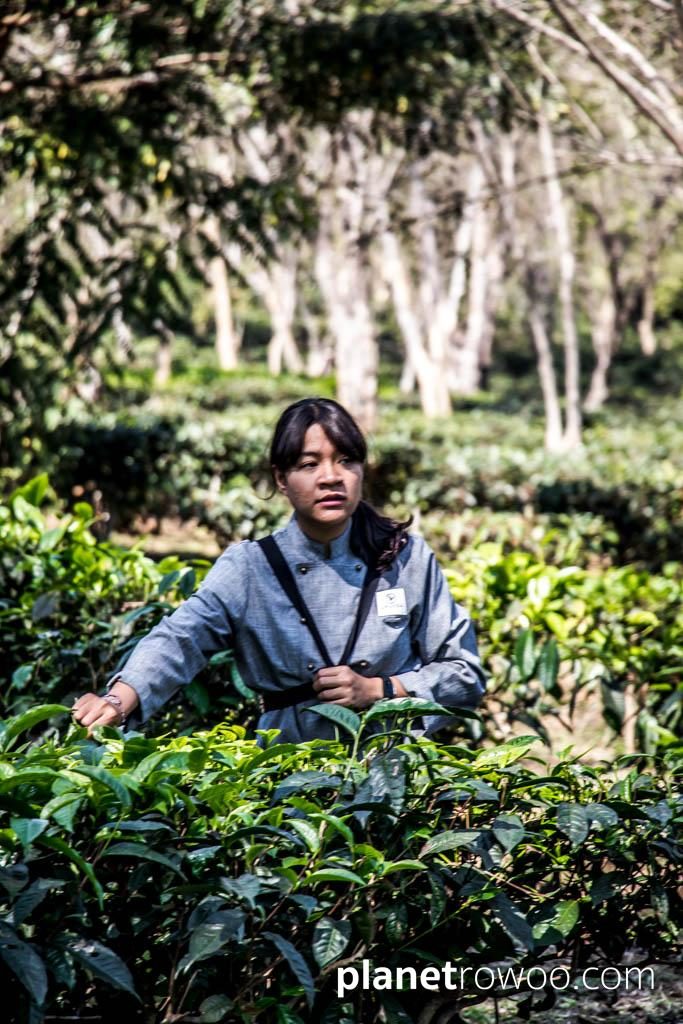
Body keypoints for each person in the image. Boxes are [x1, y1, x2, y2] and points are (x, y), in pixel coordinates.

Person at [72, 398, 486, 743]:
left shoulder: (406, 557)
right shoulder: (251, 566)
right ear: (281, 479)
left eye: (346, 461)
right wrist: (117, 700)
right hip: (285, 773)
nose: (331, 478)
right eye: (309, 464)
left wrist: (380, 690)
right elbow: (181, 639)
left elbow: (463, 674)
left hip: (393, 771)